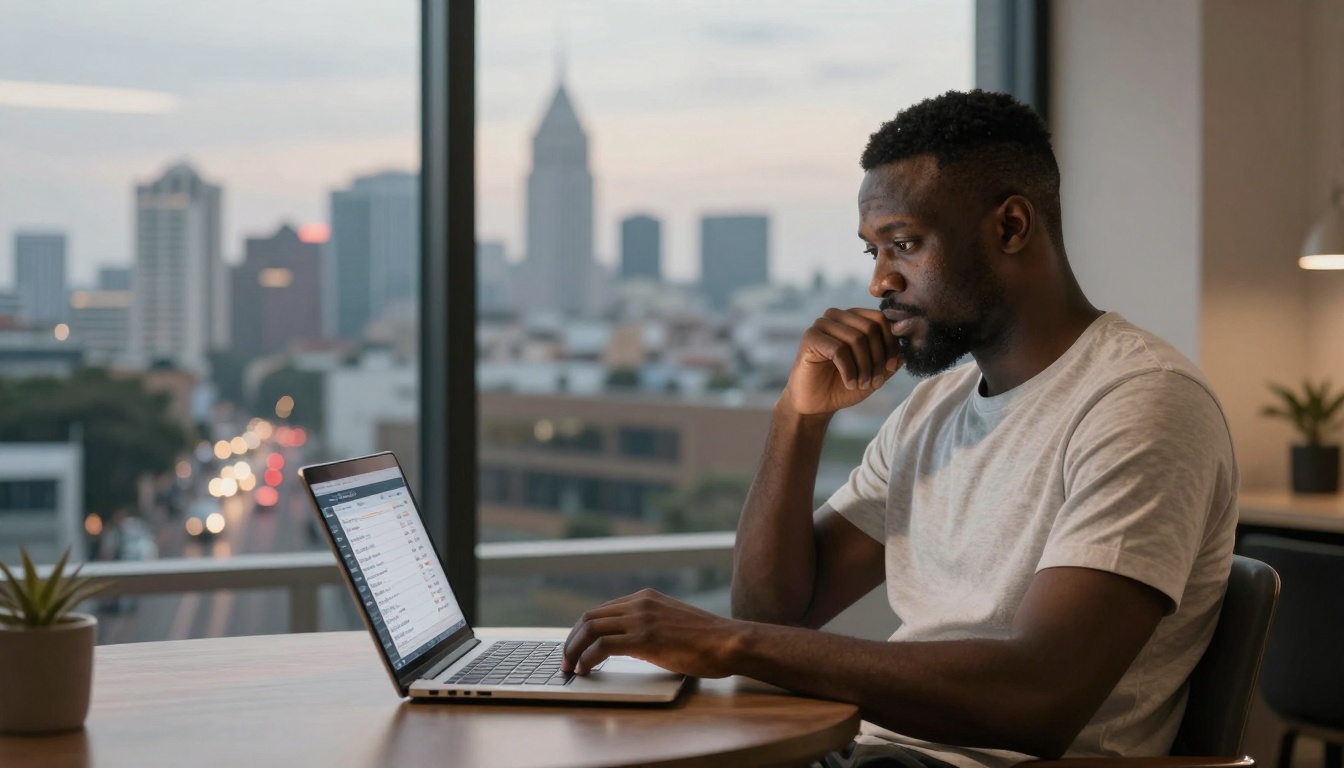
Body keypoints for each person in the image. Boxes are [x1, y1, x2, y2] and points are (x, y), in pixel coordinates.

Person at [560, 90, 1238, 768]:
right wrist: (798, 418)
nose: (881, 279)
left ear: (1009, 228)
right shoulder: (933, 406)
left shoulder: (1142, 404)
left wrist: (726, 642)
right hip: (871, 756)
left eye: (905, 244)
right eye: (872, 252)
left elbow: (1038, 699)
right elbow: (776, 612)